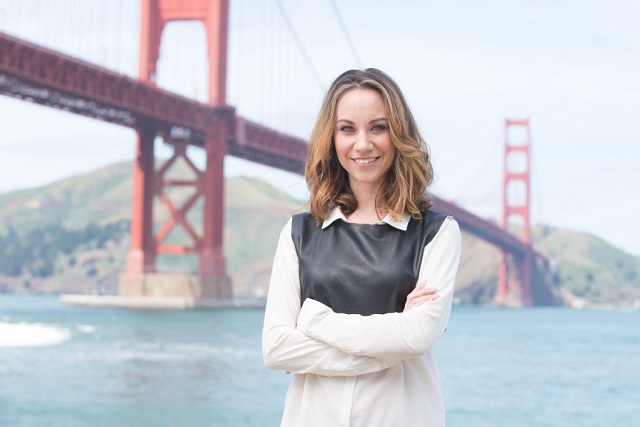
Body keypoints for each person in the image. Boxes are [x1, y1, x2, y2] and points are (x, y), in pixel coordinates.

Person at [262, 68, 461, 427]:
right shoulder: (298, 233)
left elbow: (417, 336)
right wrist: (390, 343)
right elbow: (276, 348)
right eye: (347, 128)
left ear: (398, 134)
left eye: (378, 127)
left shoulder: (437, 233)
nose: (363, 144)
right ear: (332, 137)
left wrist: (314, 321)